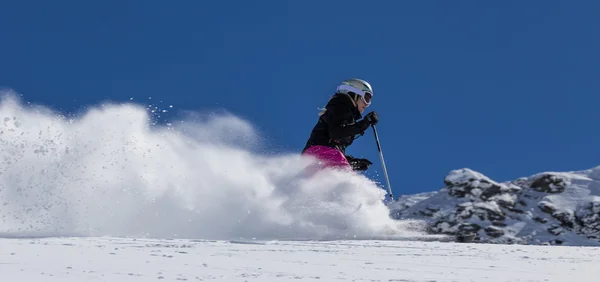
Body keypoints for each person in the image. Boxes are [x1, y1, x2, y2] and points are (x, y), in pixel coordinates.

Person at [302, 78, 379, 172]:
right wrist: (365, 123)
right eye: (366, 98)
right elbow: (337, 133)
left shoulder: (344, 114)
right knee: (344, 173)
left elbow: (334, 141)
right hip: (320, 151)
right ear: (354, 93)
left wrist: (352, 162)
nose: (367, 104)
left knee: (337, 173)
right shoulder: (341, 105)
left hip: (316, 154)